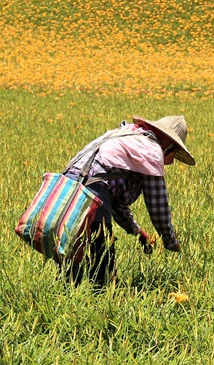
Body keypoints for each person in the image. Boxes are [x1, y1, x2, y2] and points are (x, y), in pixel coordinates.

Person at [61, 115, 194, 288]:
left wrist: (136, 231)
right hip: (93, 195)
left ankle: (71, 298)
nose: (171, 162)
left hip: (65, 191)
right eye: (174, 154)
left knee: (70, 259)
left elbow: (112, 196)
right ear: (168, 144)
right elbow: (157, 203)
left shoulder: (125, 136)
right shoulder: (151, 149)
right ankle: (102, 305)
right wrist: (170, 241)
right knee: (103, 271)